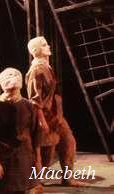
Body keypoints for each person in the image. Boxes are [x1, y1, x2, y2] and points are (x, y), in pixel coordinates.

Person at [25, 36, 80, 187]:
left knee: (68, 142)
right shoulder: (37, 70)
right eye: (43, 45)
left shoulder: (45, 66)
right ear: (36, 51)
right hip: (46, 116)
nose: (48, 46)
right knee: (46, 152)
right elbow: (34, 100)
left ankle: (67, 178)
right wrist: (42, 121)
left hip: (56, 114)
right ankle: (36, 181)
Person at [0, 67, 42, 194]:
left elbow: (36, 133)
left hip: (25, 156)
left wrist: (38, 160)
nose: (13, 92)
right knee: (6, 189)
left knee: (24, 189)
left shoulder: (29, 106)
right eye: (10, 90)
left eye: (15, 89)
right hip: (5, 158)